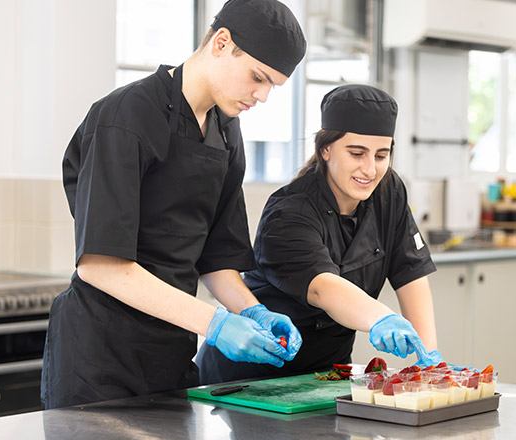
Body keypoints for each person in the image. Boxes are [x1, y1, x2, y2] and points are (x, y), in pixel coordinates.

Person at [41, 0, 307, 409]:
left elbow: (217, 261)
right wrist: (216, 324)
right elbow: (100, 266)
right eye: (258, 77)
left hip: (171, 355)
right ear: (221, 43)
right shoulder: (125, 116)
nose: (263, 96)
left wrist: (254, 312)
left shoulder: (226, 132)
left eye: (273, 85)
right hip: (97, 362)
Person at [198, 84, 443, 384]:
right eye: (357, 153)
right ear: (325, 149)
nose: (370, 169)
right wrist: (382, 317)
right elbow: (322, 288)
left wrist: (429, 361)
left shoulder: (389, 191)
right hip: (252, 377)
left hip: (326, 374)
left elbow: (411, 273)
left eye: (381, 156)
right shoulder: (289, 212)